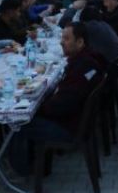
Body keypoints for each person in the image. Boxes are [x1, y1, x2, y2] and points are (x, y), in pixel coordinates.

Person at [9, 22, 105, 177]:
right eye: (62, 38)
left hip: (71, 127)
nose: (61, 42)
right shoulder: (86, 60)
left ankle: (23, 172)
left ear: (80, 42)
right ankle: (37, 166)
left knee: (19, 122)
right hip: (76, 120)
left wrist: (39, 106)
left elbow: (64, 104)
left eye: (66, 38)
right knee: (30, 113)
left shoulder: (83, 66)